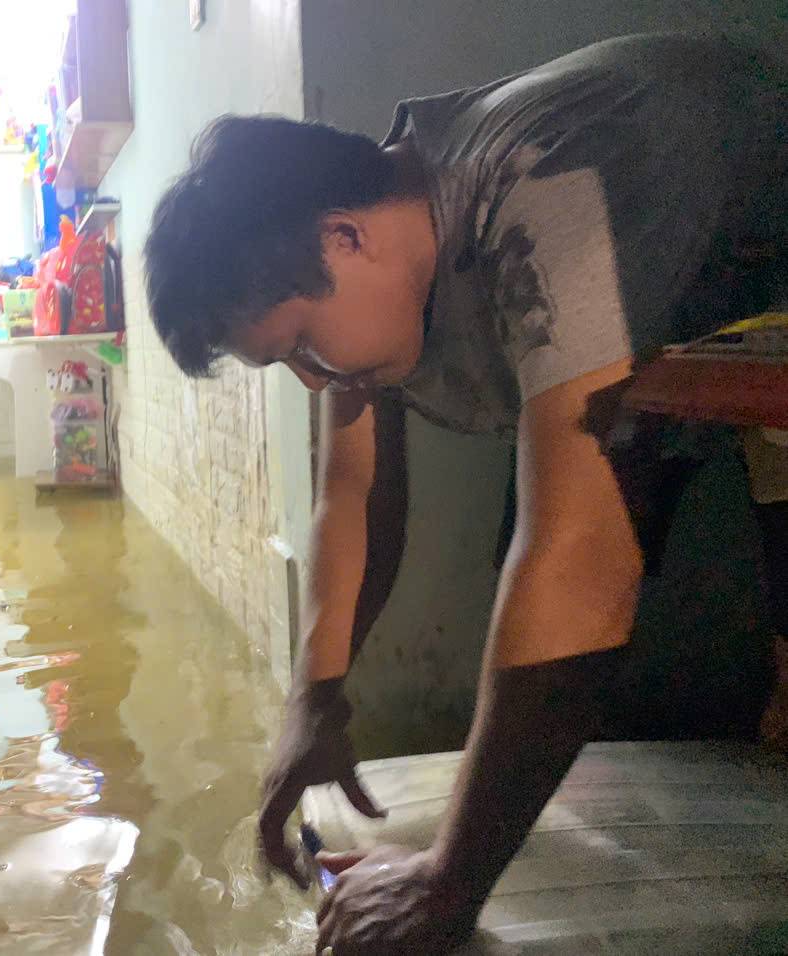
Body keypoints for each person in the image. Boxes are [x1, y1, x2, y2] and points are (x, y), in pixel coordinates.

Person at [144, 33, 787, 955]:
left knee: (587, 582)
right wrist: (313, 701)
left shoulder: (545, 184)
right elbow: (354, 491)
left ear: (344, 237)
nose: (315, 381)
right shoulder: (369, 247)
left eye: (301, 347)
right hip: (677, 339)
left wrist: (445, 884)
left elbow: (579, 561)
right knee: (541, 605)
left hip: (763, 295)